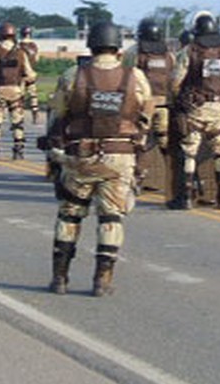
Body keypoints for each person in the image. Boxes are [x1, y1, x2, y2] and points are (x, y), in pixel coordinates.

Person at [44, 21, 153, 296]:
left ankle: (60, 279)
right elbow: (146, 116)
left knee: (70, 215)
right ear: (118, 47)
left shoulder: (73, 75)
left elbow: (56, 115)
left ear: (91, 44)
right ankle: (102, 281)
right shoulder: (135, 77)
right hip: (120, 157)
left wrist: (54, 155)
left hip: (81, 156)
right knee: (111, 218)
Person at [168, 12, 220, 210]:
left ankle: (186, 198)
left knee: (189, 152)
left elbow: (176, 80)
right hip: (219, 108)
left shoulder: (190, 50)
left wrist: (177, 100)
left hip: (195, 108)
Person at [0, 22, 36, 161]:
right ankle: (18, 150)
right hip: (16, 90)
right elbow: (30, 73)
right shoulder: (20, 52)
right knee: (17, 121)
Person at [122, 18, 173, 151]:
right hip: (165, 102)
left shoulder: (133, 52)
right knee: (163, 136)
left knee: (140, 134)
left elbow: (126, 76)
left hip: (143, 103)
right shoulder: (168, 54)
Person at [18, 26, 42, 123]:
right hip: (31, 73)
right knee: (33, 95)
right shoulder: (34, 46)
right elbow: (37, 59)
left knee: (20, 97)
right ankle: (35, 113)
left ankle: (20, 118)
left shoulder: (18, 46)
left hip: (20, 75)